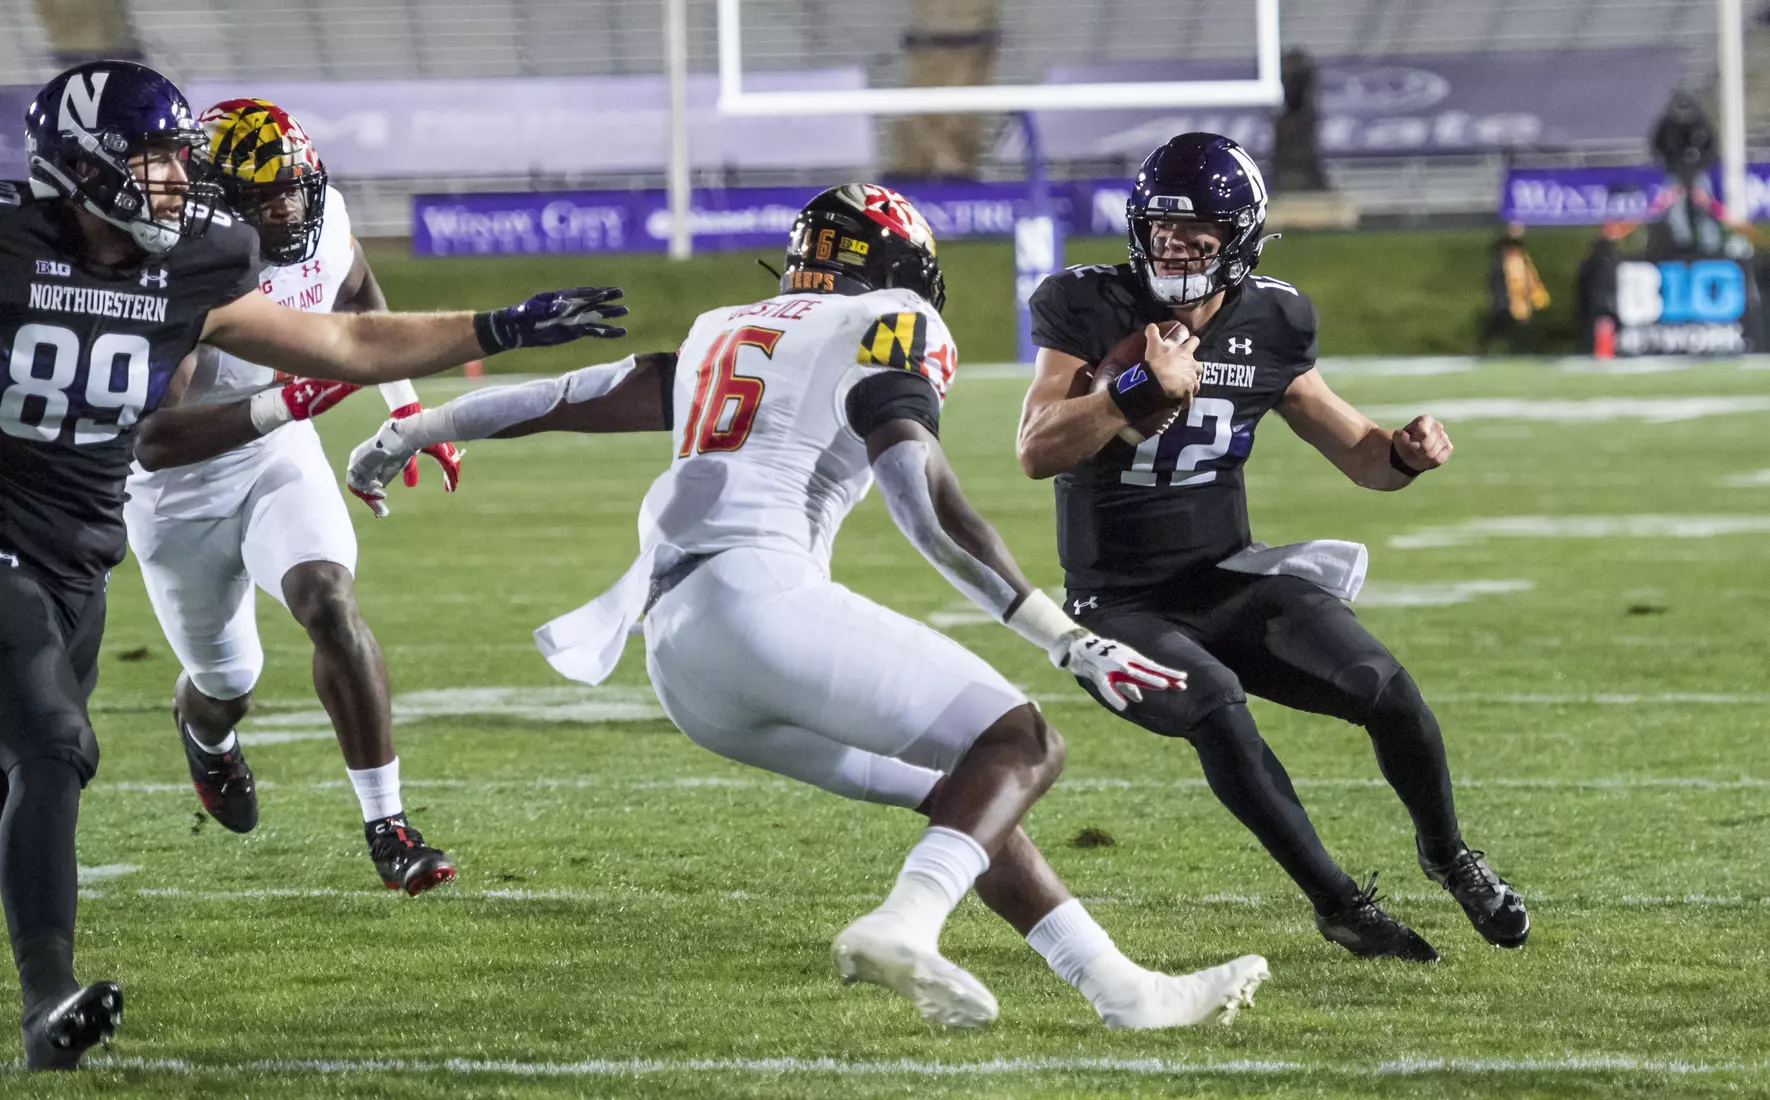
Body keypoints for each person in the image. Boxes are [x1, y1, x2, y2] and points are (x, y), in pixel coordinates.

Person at [345, 183, 1270, 1030]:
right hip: (759, 602)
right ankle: (904, 924)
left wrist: (406, 430)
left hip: (678, 656)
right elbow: (917, 489)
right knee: (1023, 743)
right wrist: (1060, 636)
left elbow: (562, 396)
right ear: (904, 270)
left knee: (968, 799)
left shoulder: (725, 324)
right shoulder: (892, 316)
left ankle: (1122, 990)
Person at [0, 59, 627, 1069]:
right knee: (59, 741)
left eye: (175, 158)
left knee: (70, 752)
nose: (172, 178)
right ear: (85, 168)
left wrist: (491, 330)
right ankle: (46, 1003)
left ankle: (355, 816)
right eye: (152, 159)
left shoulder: (202, 259)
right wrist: (291, 401)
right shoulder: (13, 242)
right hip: (86, 518)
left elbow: (340, 332)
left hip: (85, 546)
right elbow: (161, 437)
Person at [1016, 133, 1528, 962]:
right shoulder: (1087, 306)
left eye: (1198, 238)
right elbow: (1038, 448)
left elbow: (1361, 453)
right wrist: (1137, 388)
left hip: (1227, 579)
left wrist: (1405, 452)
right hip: (1117, 603)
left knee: (1386, 688)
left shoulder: (1274, 318)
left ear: (1241, 243)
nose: (1174, 251)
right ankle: (1338, 904)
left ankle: (1449, 854)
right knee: (1216, 703)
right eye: (1162, 232)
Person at [123, 98, 460, 895]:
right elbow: (151, 438)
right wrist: (288, 401)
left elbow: (360, 288)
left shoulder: (325, 214)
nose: (286, 206)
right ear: (212, 199)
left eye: (295, 188)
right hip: (177, 490)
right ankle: (204, 734)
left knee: (328, 600)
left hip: (276, 453)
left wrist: (407, 409)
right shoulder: (176, 269)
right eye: (263, 195)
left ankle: (390, 826)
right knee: (225, 688)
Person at [1478, 222, 1550, 356]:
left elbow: (1527, 277)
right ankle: (1482, 351)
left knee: (1518, 330)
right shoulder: (1501, 254)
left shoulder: (1520, 255)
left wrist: (1535, 295)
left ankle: (1523, 352)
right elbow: (1499, 279)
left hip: (1517, 302)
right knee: (1498, 327)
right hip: (1506, 301)